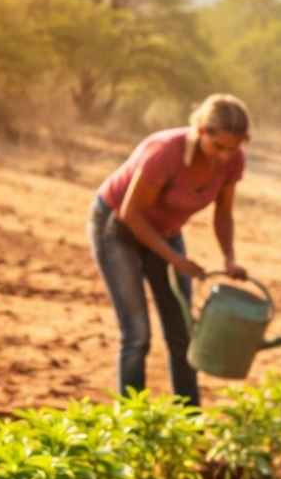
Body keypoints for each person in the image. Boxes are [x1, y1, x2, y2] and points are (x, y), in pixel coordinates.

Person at [89, 94, 251, 404]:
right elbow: (130, 213)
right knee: (137, 335)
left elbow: (223, 212)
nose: (225, 156)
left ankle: (188, 423)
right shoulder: (165, 153)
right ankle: (132, 423)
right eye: (219, 147)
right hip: (117, 228)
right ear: (202, 131)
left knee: (182, 332)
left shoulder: (232, 162)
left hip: (165, 231)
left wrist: (229, 258)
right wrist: (174, 259)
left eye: (234, 148)